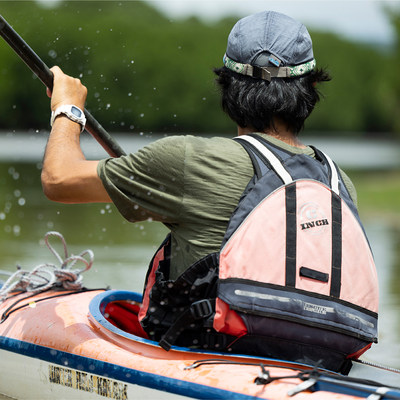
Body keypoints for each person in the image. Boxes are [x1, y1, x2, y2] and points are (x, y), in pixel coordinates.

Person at [42, 11, 378, 373]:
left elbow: (58, 180)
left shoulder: (188, 159)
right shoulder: (339, 182)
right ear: (311, 90)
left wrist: (67, 107)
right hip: (320, 367)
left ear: (228, 87)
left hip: (216, 357)